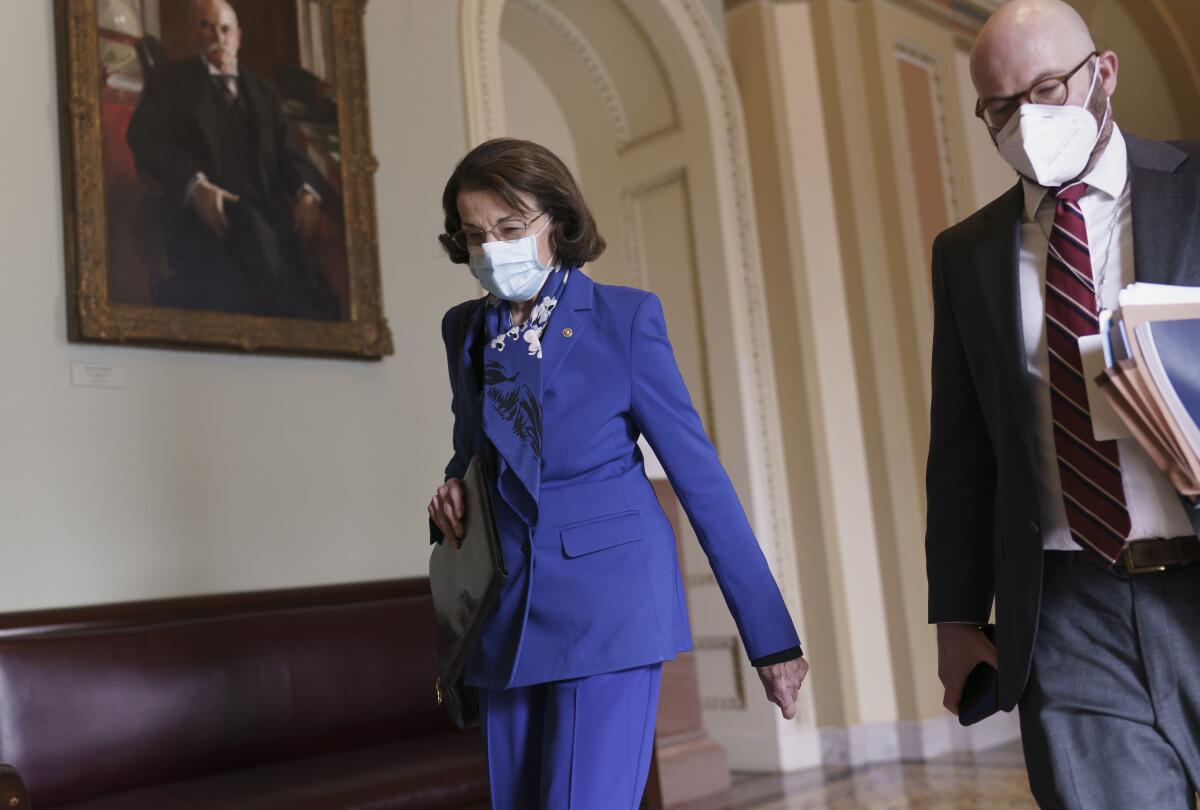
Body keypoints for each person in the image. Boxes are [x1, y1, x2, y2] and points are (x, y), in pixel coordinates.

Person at [427, 138, 810, 810]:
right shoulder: (465, 330)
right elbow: (476, 452)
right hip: (503, 613)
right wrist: (455, 483)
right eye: (475, 235)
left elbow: (702, 480)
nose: (491, 250)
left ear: (558, 222)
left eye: (510, 229)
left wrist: (770, 638)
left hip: (606, 606)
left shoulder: (625, 320)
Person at [925, 1, 1200, 807]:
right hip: (1069, 605)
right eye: (1002, 107)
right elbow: (963, 446)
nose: (1028, 119)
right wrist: (955, 615)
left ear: (1102, 74)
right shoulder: (967, 253)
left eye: (1047, 89)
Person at [126, 0, 337, 320]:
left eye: (225, 29)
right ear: (193, 34)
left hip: (270, 221)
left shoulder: (264, 93)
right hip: (204, 222)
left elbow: (290, 155)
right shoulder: (171, 83)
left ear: (237, 36)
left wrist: (307, 192)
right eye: (205, 26)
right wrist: (195, 187)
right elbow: (146, 140)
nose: (217, 36)